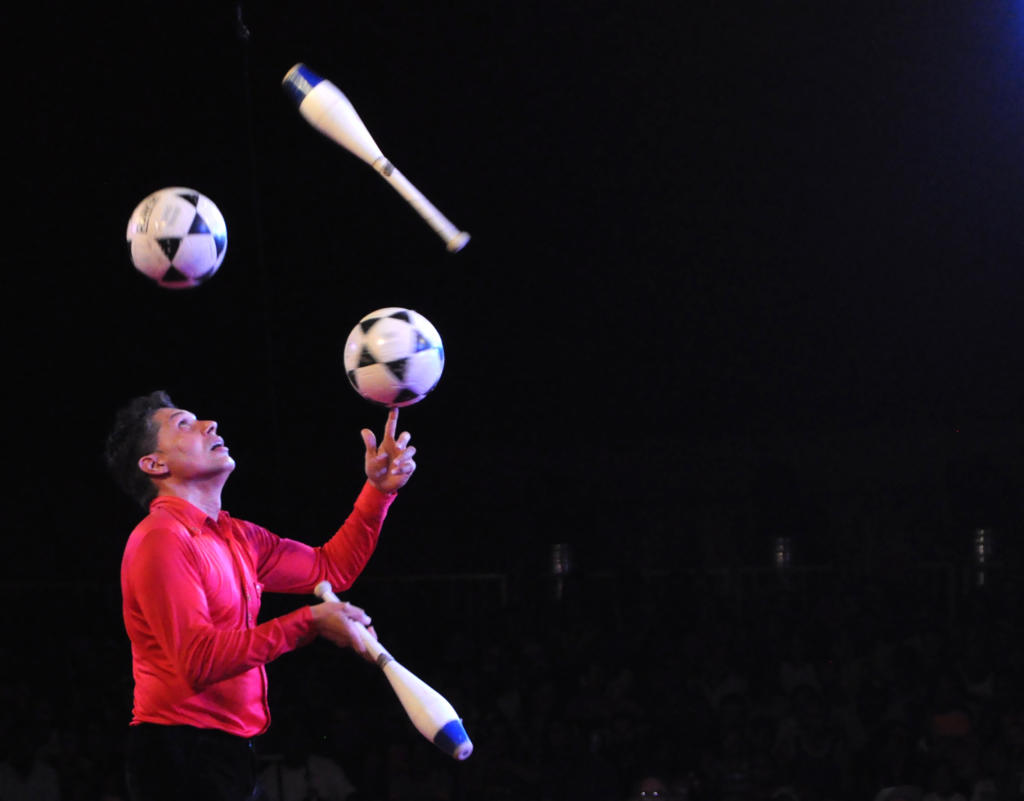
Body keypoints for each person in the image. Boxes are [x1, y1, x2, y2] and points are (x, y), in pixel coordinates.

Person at [104, 390, 417, 801]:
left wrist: (378, 491)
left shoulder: (240, 537)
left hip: (230, 752)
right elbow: (199, 660)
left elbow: (330, 568)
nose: (209, 424)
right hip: (178, 756)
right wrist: (310, 622)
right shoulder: (160, 540)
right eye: (184, 424)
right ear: (154, 464)